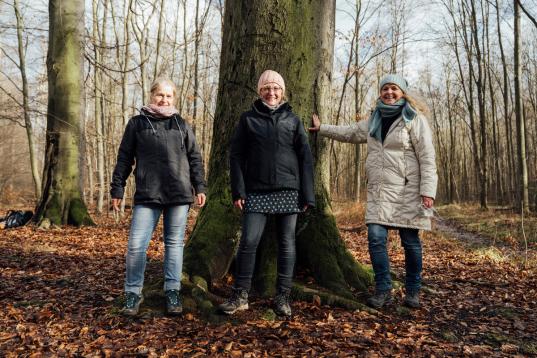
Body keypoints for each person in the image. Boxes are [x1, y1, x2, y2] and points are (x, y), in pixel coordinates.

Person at [309, 74, 437, 309]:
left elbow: (427, 158)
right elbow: (350, 132)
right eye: (385, 89)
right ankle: (383, 290)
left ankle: (413, 290)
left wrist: (427, 191)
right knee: (376, 238)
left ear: (403, 92)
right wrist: (322, 128)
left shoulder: (414, 119)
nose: (389, 92)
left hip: (407, 190)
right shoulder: (374, 120)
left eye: (394, 89)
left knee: (410, 242)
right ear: (380, 93)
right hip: (379, 192)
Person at [218, 70, 315, 317]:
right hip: (256, 190)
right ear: (259, 91)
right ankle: (240, 295)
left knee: (286, 244)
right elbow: (236, 156)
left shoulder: (293, 120)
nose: (271, 92)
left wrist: (308, 195)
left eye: (276, 88)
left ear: (282, 91)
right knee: (249, 242)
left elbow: (305, 158)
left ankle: (282, 297)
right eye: (266, 88)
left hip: (289, 190)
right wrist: (238, 190)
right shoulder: (247, 119)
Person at [110, 78, 206, 316]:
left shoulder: (181, 124)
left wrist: (200, 186)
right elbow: (124, 158)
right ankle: (133, 293)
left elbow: (194, 157)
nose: (164, 100)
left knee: (174, 245)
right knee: (136, 246)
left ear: (174, 98)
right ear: (151, 96)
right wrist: (117, 189)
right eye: (159, 95)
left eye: (169, 96)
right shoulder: (137, 124)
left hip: (178, 193)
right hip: (147, 194)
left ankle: (172, 291)